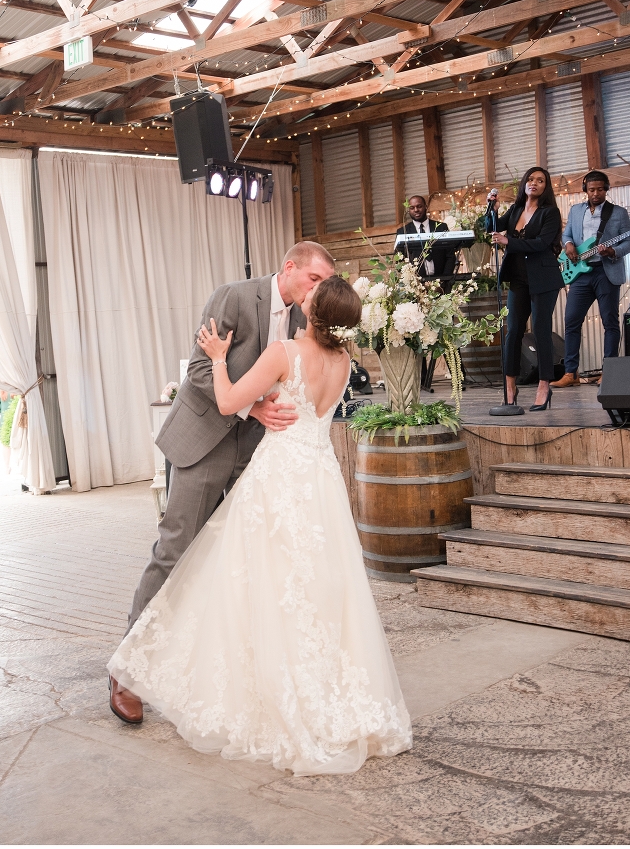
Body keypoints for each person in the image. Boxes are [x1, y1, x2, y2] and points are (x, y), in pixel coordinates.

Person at [107, 276, 412, 775]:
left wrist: (219, 357)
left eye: (312, 295)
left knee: (254, 577)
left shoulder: (284, 352)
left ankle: (259, 683)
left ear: (313, 312)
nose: (304, 297)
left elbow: (228, 402)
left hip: (278, 476)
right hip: (318, 479)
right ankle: (322, 690)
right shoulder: (342, 362)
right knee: (312, 587)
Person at [110, 242, 336, 725]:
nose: (318, 291)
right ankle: (126, 671)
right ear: (290, 268)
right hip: (205, 441)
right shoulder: (235, 297)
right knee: (174, 550)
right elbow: (197, 370)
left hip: (257, 455)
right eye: (314, 280)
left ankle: (198, 668)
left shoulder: (308, 322)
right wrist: (251, 406)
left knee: (224, 561)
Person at [487, 167, 564, 411]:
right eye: (530, 179)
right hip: (518, 278)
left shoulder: (549, 212)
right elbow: (491, 226)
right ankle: (510, 386)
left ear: (545, 186)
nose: (534, 183)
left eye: (540, 181)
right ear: (524, 184)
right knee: (513, 332)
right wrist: (492, 209)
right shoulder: (516, 209)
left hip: (544, 278)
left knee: (541, 330)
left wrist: (509, 240)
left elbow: (542, 243)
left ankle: (544, 385)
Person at [552, 171, 630, 387]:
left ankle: (610, 372)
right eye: (591, 189)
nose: (596, 193)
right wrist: (568, 244)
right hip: (580, 273)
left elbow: (629, 242)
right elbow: (567, 235)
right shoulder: (576, 210)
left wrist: (613, 252)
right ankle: (571, 373)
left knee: (610, 322)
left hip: (606, 272)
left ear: (607, 189)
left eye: (600, 189)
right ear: (585, 190)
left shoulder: (618, 213)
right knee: (571, 321)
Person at [395, 195, 457, 284]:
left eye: (419, 206)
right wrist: (412, 282)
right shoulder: (403, 232)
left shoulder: (441, 227)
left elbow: (450, 255)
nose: (416, 210)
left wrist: (444, 280)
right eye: (412, 208)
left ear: (426, 207)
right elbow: (399, 259)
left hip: (441, 282)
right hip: (416, 285)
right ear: (409, 210)